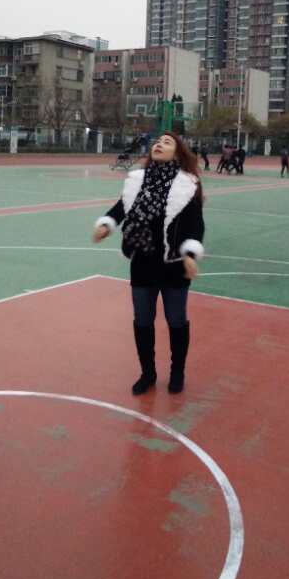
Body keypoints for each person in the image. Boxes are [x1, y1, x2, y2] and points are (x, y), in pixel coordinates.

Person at [92, 132, 205, 395]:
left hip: (174, 264)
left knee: (176, 321)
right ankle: (148, 373)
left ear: (177, 153)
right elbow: (121, 208)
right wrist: (107, 225)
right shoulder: (136, 181)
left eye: (167, 142)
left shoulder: (187, 185)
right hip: (142, 262)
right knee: (142, 321)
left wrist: (190, 254)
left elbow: (195, 225)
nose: (159, 144)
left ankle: (177, 373)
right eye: (157, 141)